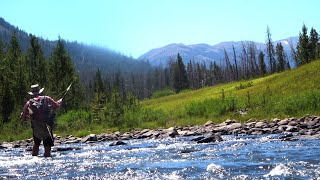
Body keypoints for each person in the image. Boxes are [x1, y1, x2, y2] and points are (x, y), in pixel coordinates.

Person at [21, 84, 62, 157]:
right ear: (39, 91)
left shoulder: (29, 103)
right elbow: (56, 106)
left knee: (36, 144)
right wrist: (59, 102)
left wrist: (27, 117)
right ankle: (46, 159)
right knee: (47, 145)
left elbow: (23, 118)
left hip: (36, 127)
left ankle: (34, 157)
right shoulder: (47, 98)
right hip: (46, 126)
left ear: (32, 93)